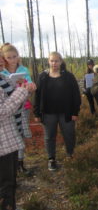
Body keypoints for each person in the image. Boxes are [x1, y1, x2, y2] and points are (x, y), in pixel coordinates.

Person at [34, 52, 81, 171]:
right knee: (49, 136)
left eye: (56, 61)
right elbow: (37, 95)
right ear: (48, 61)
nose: (54, 63)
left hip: (67, 112)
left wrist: (75, 112)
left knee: (69, 135)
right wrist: (36, 113)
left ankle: (70, 154)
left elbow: (76, 95)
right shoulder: (43, 77)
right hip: (48, 113)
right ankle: (51, 159)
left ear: (61, 62)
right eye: (52, 61)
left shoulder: (68, 76)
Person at [0, 53, 36, 210]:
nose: (2, 61)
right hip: (2, 142)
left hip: (10, 137)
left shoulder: (3, 78)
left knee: (10, 180)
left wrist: (26, 90)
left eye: (2, 57)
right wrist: (21, 93)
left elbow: (15, 106)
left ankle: (10, 205)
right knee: (5, 184)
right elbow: (2, 111)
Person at [0, 43, 33, 173]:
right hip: (7, 113)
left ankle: (20, 163)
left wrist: (27, 86)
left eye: (15, 56)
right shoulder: (3, 73)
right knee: (10, 138)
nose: (12, 60)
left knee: (20, 134)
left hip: (22, 107)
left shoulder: (23, 70)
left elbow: (28, 84)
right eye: (9, 57)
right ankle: (11, 167)